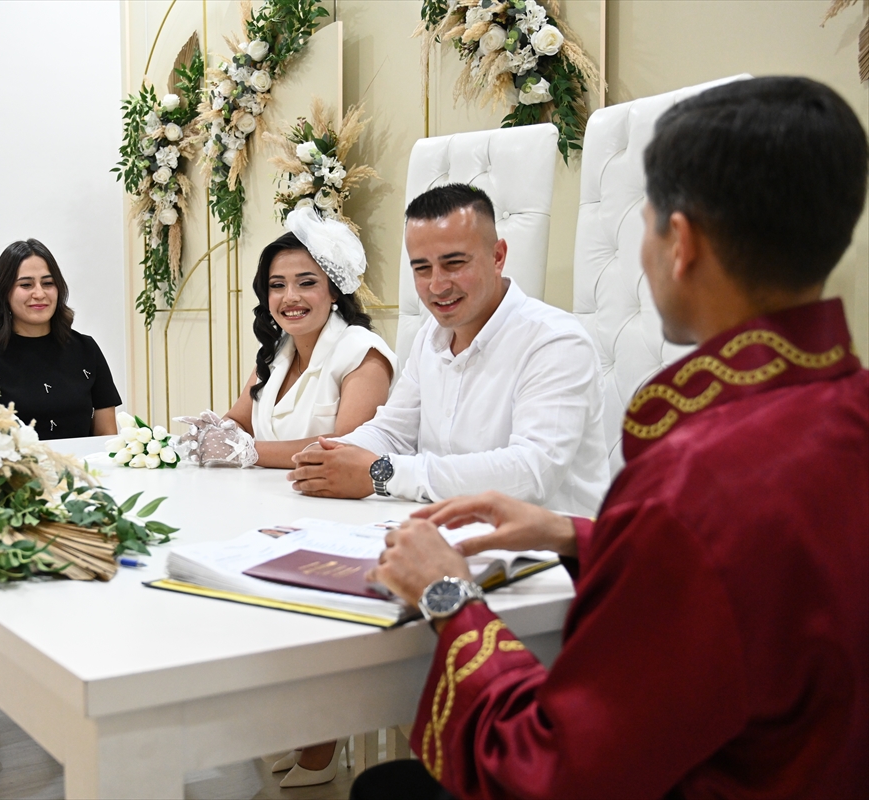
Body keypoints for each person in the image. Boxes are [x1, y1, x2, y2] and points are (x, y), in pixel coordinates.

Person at [355, 76, 869, 799]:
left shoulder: (692, 475)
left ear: (680, 242)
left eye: (646, 226)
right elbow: (765, 579)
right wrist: (575, 533)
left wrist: (446, 594)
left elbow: (553, 770)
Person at [288, 184, 609, 518]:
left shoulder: (554, 341)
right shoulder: (430, 335)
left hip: (551, 543)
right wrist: (326, 457)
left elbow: (531, 473)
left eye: (454, 264)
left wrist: (382, 474)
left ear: (498, 256)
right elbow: (391, 432)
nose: (437, 286)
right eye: (422, 268)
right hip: (444, 529)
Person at [180, 208, 395, 471]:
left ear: (334, 291)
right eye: (277, 285)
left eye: (306, 283)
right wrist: (213, 435)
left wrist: (245, 451)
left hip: (325, 494)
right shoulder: (277, 349)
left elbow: (348, 446)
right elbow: (240, 421)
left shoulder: (364, 352)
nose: (290, 297)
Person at [0, 238, 120, 438]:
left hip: (80, 459)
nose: (39, 293)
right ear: (4, 291)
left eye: (48, 283)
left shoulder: (86, 349)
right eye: (26, 285)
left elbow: (106, 436)